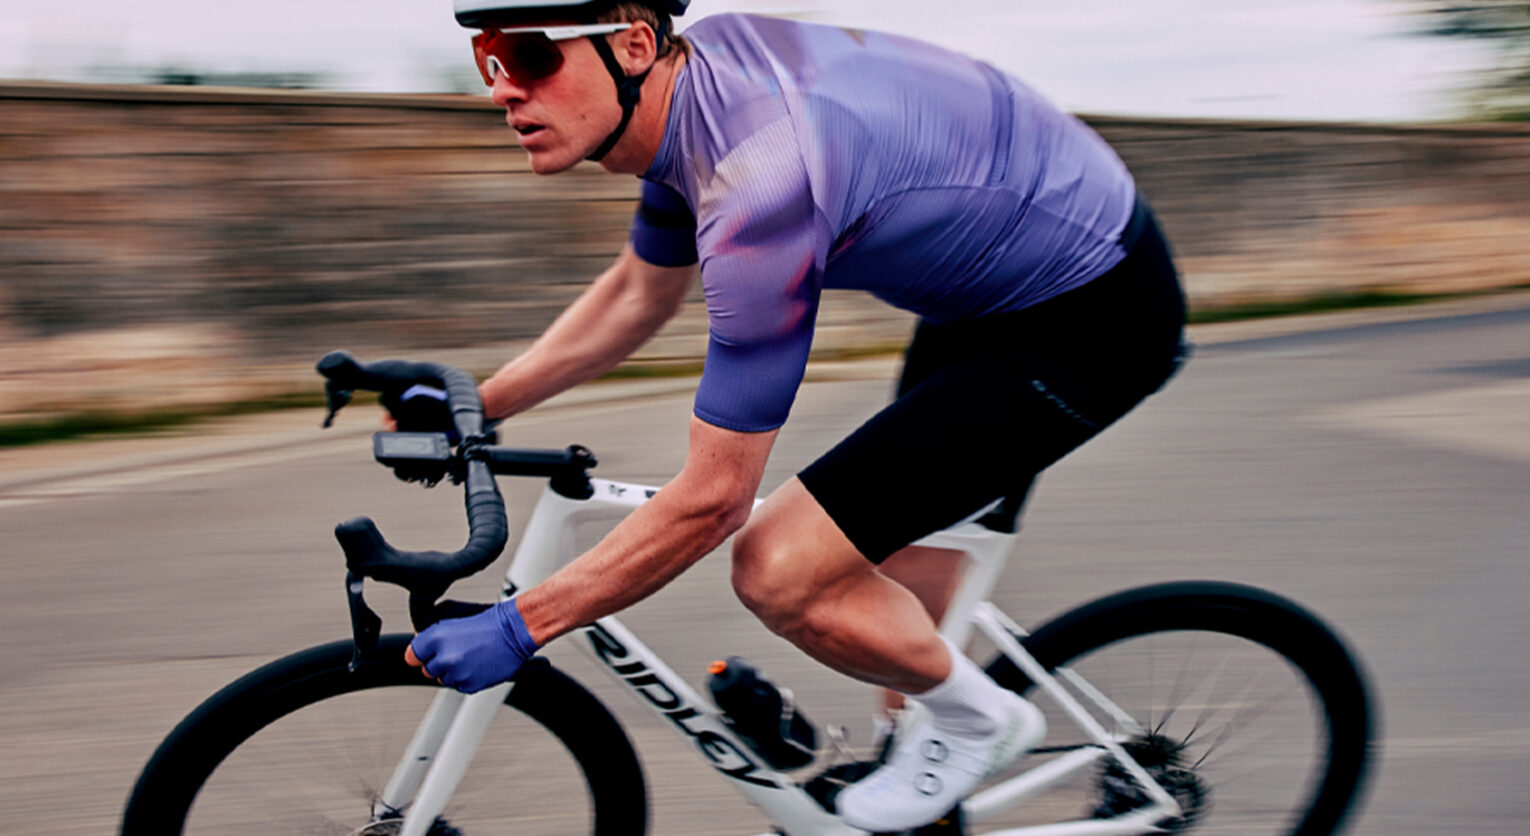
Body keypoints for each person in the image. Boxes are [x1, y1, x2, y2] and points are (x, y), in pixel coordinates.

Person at [403, 0, 1188, 829]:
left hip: (1093, 316)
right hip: (993, 285)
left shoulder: (761, 179)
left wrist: (524, 626)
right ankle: (928, 771)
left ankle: (980, 720)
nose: (503, 89)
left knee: (780, 567)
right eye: (490, 61)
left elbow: (715, 498)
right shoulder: (684, 108)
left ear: (634, 47)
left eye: (532, 56)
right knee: (886, 564)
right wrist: (475, 406)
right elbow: (638, 296)